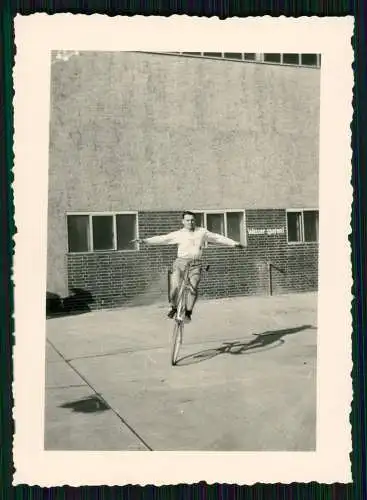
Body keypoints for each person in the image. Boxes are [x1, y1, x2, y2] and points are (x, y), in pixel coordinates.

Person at [133, 211, 243, 321]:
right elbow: (163, 239)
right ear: (183, 221)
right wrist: (145, 241)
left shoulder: (201, 232)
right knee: (175, 287)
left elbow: (217, 238)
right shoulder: (179, 234)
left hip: (196, 264)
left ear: (195, 221)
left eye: (192, 220)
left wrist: (234, 243)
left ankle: (188, 312)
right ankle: (174, 308)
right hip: (180, 263)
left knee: (193, 287)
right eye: (187, 220)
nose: (190, 222)